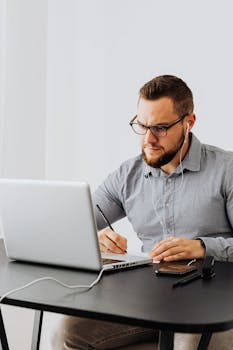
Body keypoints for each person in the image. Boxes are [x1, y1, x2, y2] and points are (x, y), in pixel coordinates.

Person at [51, 75, 233, 350]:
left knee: (190, 345)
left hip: (213, 306)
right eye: (141, 125)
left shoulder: (226, 170)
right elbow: (72, 226)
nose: (148, 138)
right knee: (66, 333)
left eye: (160, 128)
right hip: (147, 301)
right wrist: (91, 240)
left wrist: (202, 247)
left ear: (189, 122)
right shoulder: (128, 175)